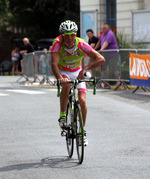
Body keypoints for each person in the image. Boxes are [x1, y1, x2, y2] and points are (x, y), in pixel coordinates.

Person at [51, 20, 105, 146]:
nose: (70, 38)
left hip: (78, 71)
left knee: (82, 100)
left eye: (72, 35)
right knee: (67, 84)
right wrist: (59, 77)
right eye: (66, 35)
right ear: (62, 35)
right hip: (64, 71)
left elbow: (101, 58)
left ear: (76, 34)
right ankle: (63, 115)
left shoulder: (81, 44)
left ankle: (82, 132)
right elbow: (54, 64)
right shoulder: (57, 44)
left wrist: (86, 68)